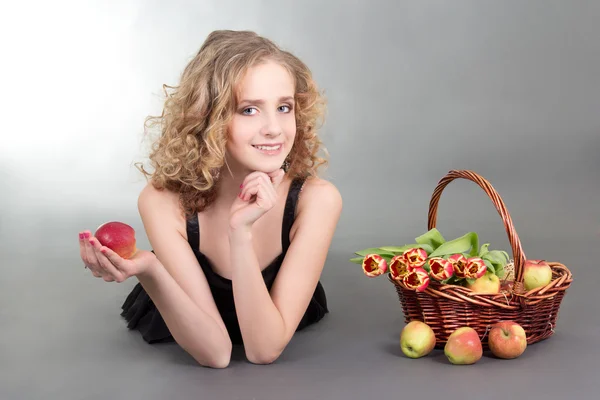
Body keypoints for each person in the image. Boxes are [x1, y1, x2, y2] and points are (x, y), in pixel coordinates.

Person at [77, 30, 342, 368]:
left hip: (270, 321)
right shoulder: (162, 202)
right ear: (208, 118)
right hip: (186, 317)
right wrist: (149, 268)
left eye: (284, 107)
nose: (274, 128)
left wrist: (241, 234)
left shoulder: (317, 200)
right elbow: (214, 353)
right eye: (249, 110)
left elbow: (263, 349)